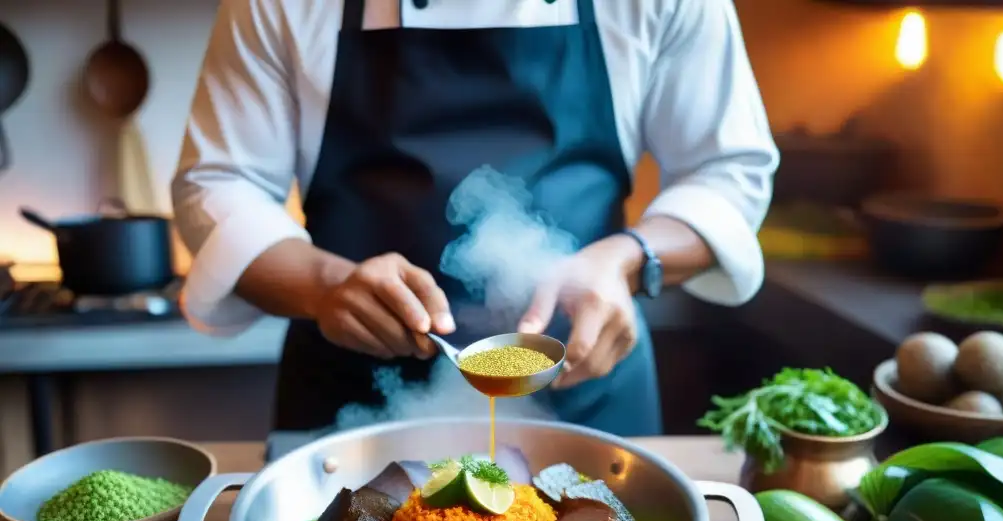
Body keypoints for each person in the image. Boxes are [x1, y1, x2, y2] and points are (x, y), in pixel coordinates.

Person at [172, 0, 779, 437]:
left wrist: (625, 261)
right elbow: (220, 184)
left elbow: (728, 174)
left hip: (585, 401)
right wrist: (325, 285)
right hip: (349, 413)